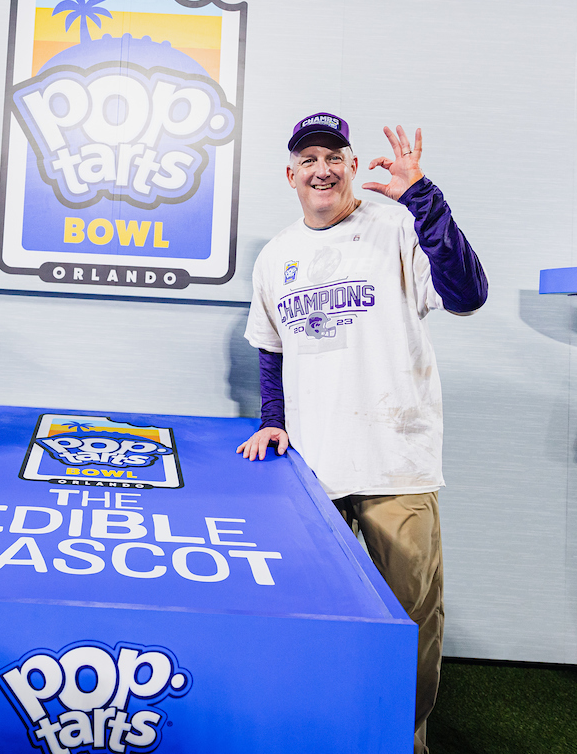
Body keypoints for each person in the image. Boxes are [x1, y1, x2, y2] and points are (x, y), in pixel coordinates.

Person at [237, 112, 487, 754]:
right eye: (309, 158)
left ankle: (404, 742)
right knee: (304, 620)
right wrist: (272, 420)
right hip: (310, 475)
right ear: (290, 174)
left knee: (407, 625)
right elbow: (271, 349)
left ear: (353, 166)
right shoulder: (276, 255)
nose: (322, 169)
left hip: (394, 464)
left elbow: (467, 294)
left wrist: (424, 198)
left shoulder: (398, 226)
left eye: (335, 156)